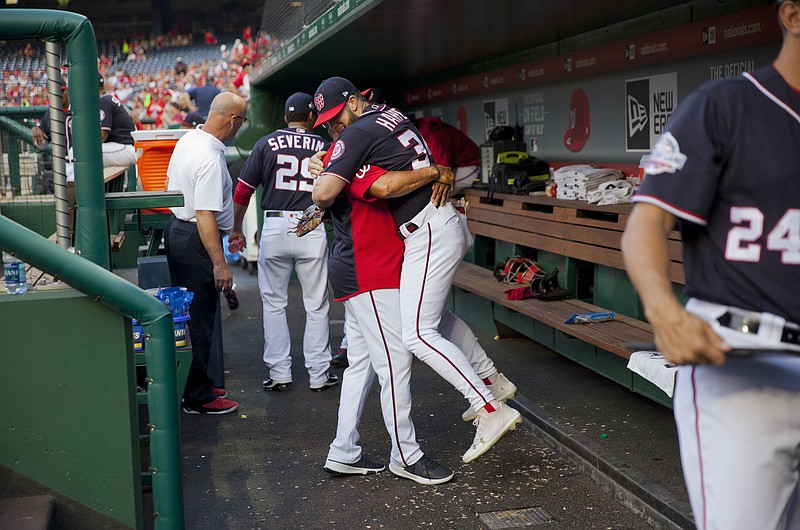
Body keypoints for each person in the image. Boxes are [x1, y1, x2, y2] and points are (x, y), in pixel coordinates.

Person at [620, 2, 800, 528]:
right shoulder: (725, 105)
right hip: (741, 362)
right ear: (792, 14)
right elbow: (646, 225)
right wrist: (663, 310)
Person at [312, 77, 520, 468]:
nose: (333, 126)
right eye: (327, 123)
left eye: (336, 116)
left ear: (354, 102)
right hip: (435, 225)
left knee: (418, 334)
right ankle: (491, 380)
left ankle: (489, 409)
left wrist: (325, 168)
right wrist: (436, 172)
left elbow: (341, 190)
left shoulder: (357, 133)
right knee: (434, 319)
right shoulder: (388, 116)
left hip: (426, 230)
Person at [311, 130, 456, 485]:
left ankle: (343, 451)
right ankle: (406, 455)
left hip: (362, 267)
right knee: (395, 362)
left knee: (361, 365)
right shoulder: (352, 158)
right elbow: (385, 187)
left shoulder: (343, 156)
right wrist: (437, 171)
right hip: (369, 270)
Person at [229, 93, 338, 392]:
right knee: (316, 304)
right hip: (310, 222)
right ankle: (318, 374)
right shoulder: (324, 145)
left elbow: (243, 192)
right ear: (312, 118)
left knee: (274, 303)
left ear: (285, 118)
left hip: (275, 224)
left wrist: (236, 228)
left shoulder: (266, 143)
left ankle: (279, 374)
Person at [164, 92, 247, 415]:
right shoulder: (211, 158)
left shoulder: (190, 138)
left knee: (188, 317)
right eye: (241, 120)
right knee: (198, 319)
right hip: (196, 238)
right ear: (232, 120)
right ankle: (197, 395)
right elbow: (204, 215)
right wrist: (220, 263)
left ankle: (195, 382)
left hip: (178, 230)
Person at [413, 116, 481, 195]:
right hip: (452, 166)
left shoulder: (432, 135)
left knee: (436, 192)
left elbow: (442, 173)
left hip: (471, 166)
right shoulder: (419, 134)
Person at [98, 75, 136, 169]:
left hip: (124, 147)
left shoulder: (103, 101)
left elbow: (102, 136)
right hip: (122, 147)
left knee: (81, 153)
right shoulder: (107, 98)